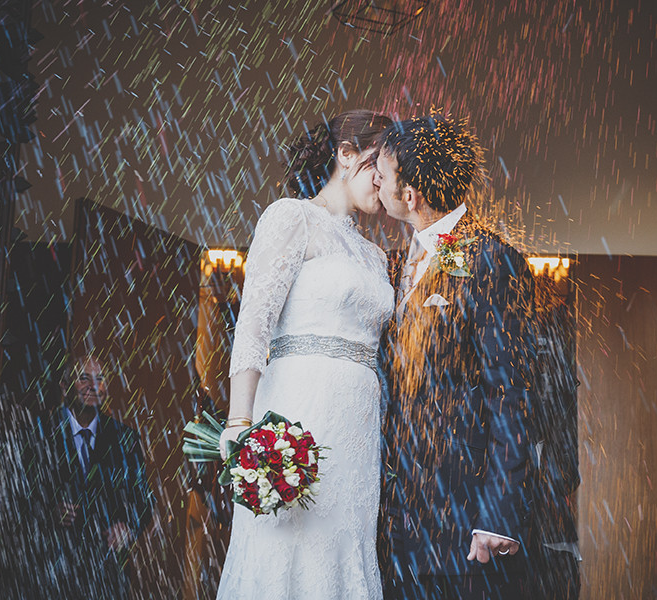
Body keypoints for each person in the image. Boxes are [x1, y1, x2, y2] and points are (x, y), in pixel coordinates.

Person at [374, 113, 579, 599]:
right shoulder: (402, 259)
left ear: (411, 196)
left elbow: (510, 390)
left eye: (382, 173)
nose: (375, 182)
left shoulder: (490, 258)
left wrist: (497, 513)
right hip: (404, 520)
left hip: (465, 521)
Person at [215, 109, 395, 600]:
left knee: (343, 549)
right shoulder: (291, 217)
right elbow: (254, 323)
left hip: (358, 428)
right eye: (378, 163)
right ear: (346, 154)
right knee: (288, 546)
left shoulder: (375, 255)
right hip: (300, 414)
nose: (384, 179)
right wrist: (239, 422)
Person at [38, 354, 154, 599]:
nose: (93, 386)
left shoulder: (125, 438)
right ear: (64, 386)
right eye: (83, 378)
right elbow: (21, 496)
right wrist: (50, 513)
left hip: (106, 577)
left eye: (99, 379)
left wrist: (128, 527)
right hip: (50, 573)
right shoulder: (41, 432)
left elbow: (145, 501)